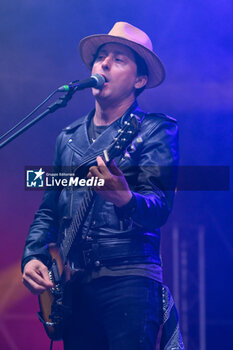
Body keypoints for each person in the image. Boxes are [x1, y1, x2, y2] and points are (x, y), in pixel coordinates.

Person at [22, 22, 184, 350]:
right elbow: (48, 210)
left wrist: (126, 199)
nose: (104, 64)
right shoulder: (67, 138)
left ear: (139, 80)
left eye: (119, 59)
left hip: (130, 281)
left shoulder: (154, 130)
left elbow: (159, 208)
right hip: (75, 287)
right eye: (101, 57)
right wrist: (32, 255)